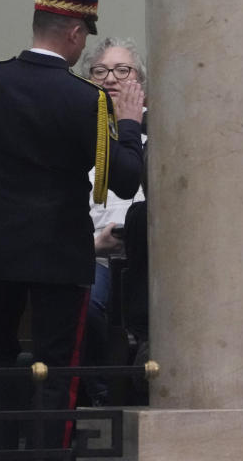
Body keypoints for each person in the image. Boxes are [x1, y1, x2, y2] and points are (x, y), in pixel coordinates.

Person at [0, 0, 144, 451]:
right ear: (74, 33)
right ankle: (50, 449)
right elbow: (125, 179)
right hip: (59, 251)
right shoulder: (85, 99)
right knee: (58, 365)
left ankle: (2, 447)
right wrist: (129, 125)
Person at [79, 37, 148, 406]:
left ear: (141, 83)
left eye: (123, 70)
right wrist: (94, 245)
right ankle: (103, 398)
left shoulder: (164, 134)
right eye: (101, 70)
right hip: (93, 254)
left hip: (151, 258)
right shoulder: (77, 133)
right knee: (87, 305)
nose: (111, 79)